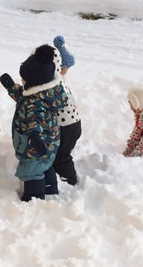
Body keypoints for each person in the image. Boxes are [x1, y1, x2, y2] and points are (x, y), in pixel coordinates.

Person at [0, 44, 68, 201]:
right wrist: (11, 87)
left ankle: (33, 199)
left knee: (32, 171)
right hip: (50, 144)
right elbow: (22, 96)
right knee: (46, 165)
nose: (21, 80)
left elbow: (34, 119)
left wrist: (34, 136)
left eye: (23, 78)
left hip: (35, 146)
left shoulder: (35, 102)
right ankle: (50, 189)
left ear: (35, 81)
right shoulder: (46, 93)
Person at [52, 35, 82, 186]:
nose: (66, 72)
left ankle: (70, 179)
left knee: (61, 154)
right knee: (62, 152)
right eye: (66, 68)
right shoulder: (60, 81)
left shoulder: (55, 83)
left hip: (66, 126)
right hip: (73, 123)